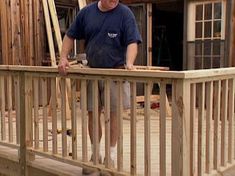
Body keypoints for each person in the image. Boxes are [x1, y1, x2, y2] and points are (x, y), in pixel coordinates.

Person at [58, 0, 142, 174]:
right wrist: (63, 57)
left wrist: (129, 62)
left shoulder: (125, 14)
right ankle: (95, 155)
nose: (114, 1)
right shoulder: (87, 13)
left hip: (116, 73)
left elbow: (132, 41)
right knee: (92, 113)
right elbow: (70, 35)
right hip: (92, 73)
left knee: (114, 115)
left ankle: (110, 156)